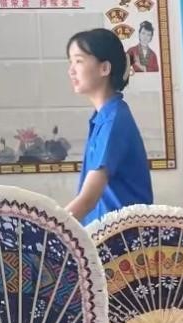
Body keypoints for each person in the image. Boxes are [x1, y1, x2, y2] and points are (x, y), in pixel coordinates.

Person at [65, 28, 153, 225]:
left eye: (78, 61)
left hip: (123, 239)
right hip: (105, 234)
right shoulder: (103, 117)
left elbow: (87, 200)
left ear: (104, 68)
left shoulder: (114, 120)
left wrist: (49, 230)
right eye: (70, 62)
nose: (71, 70)